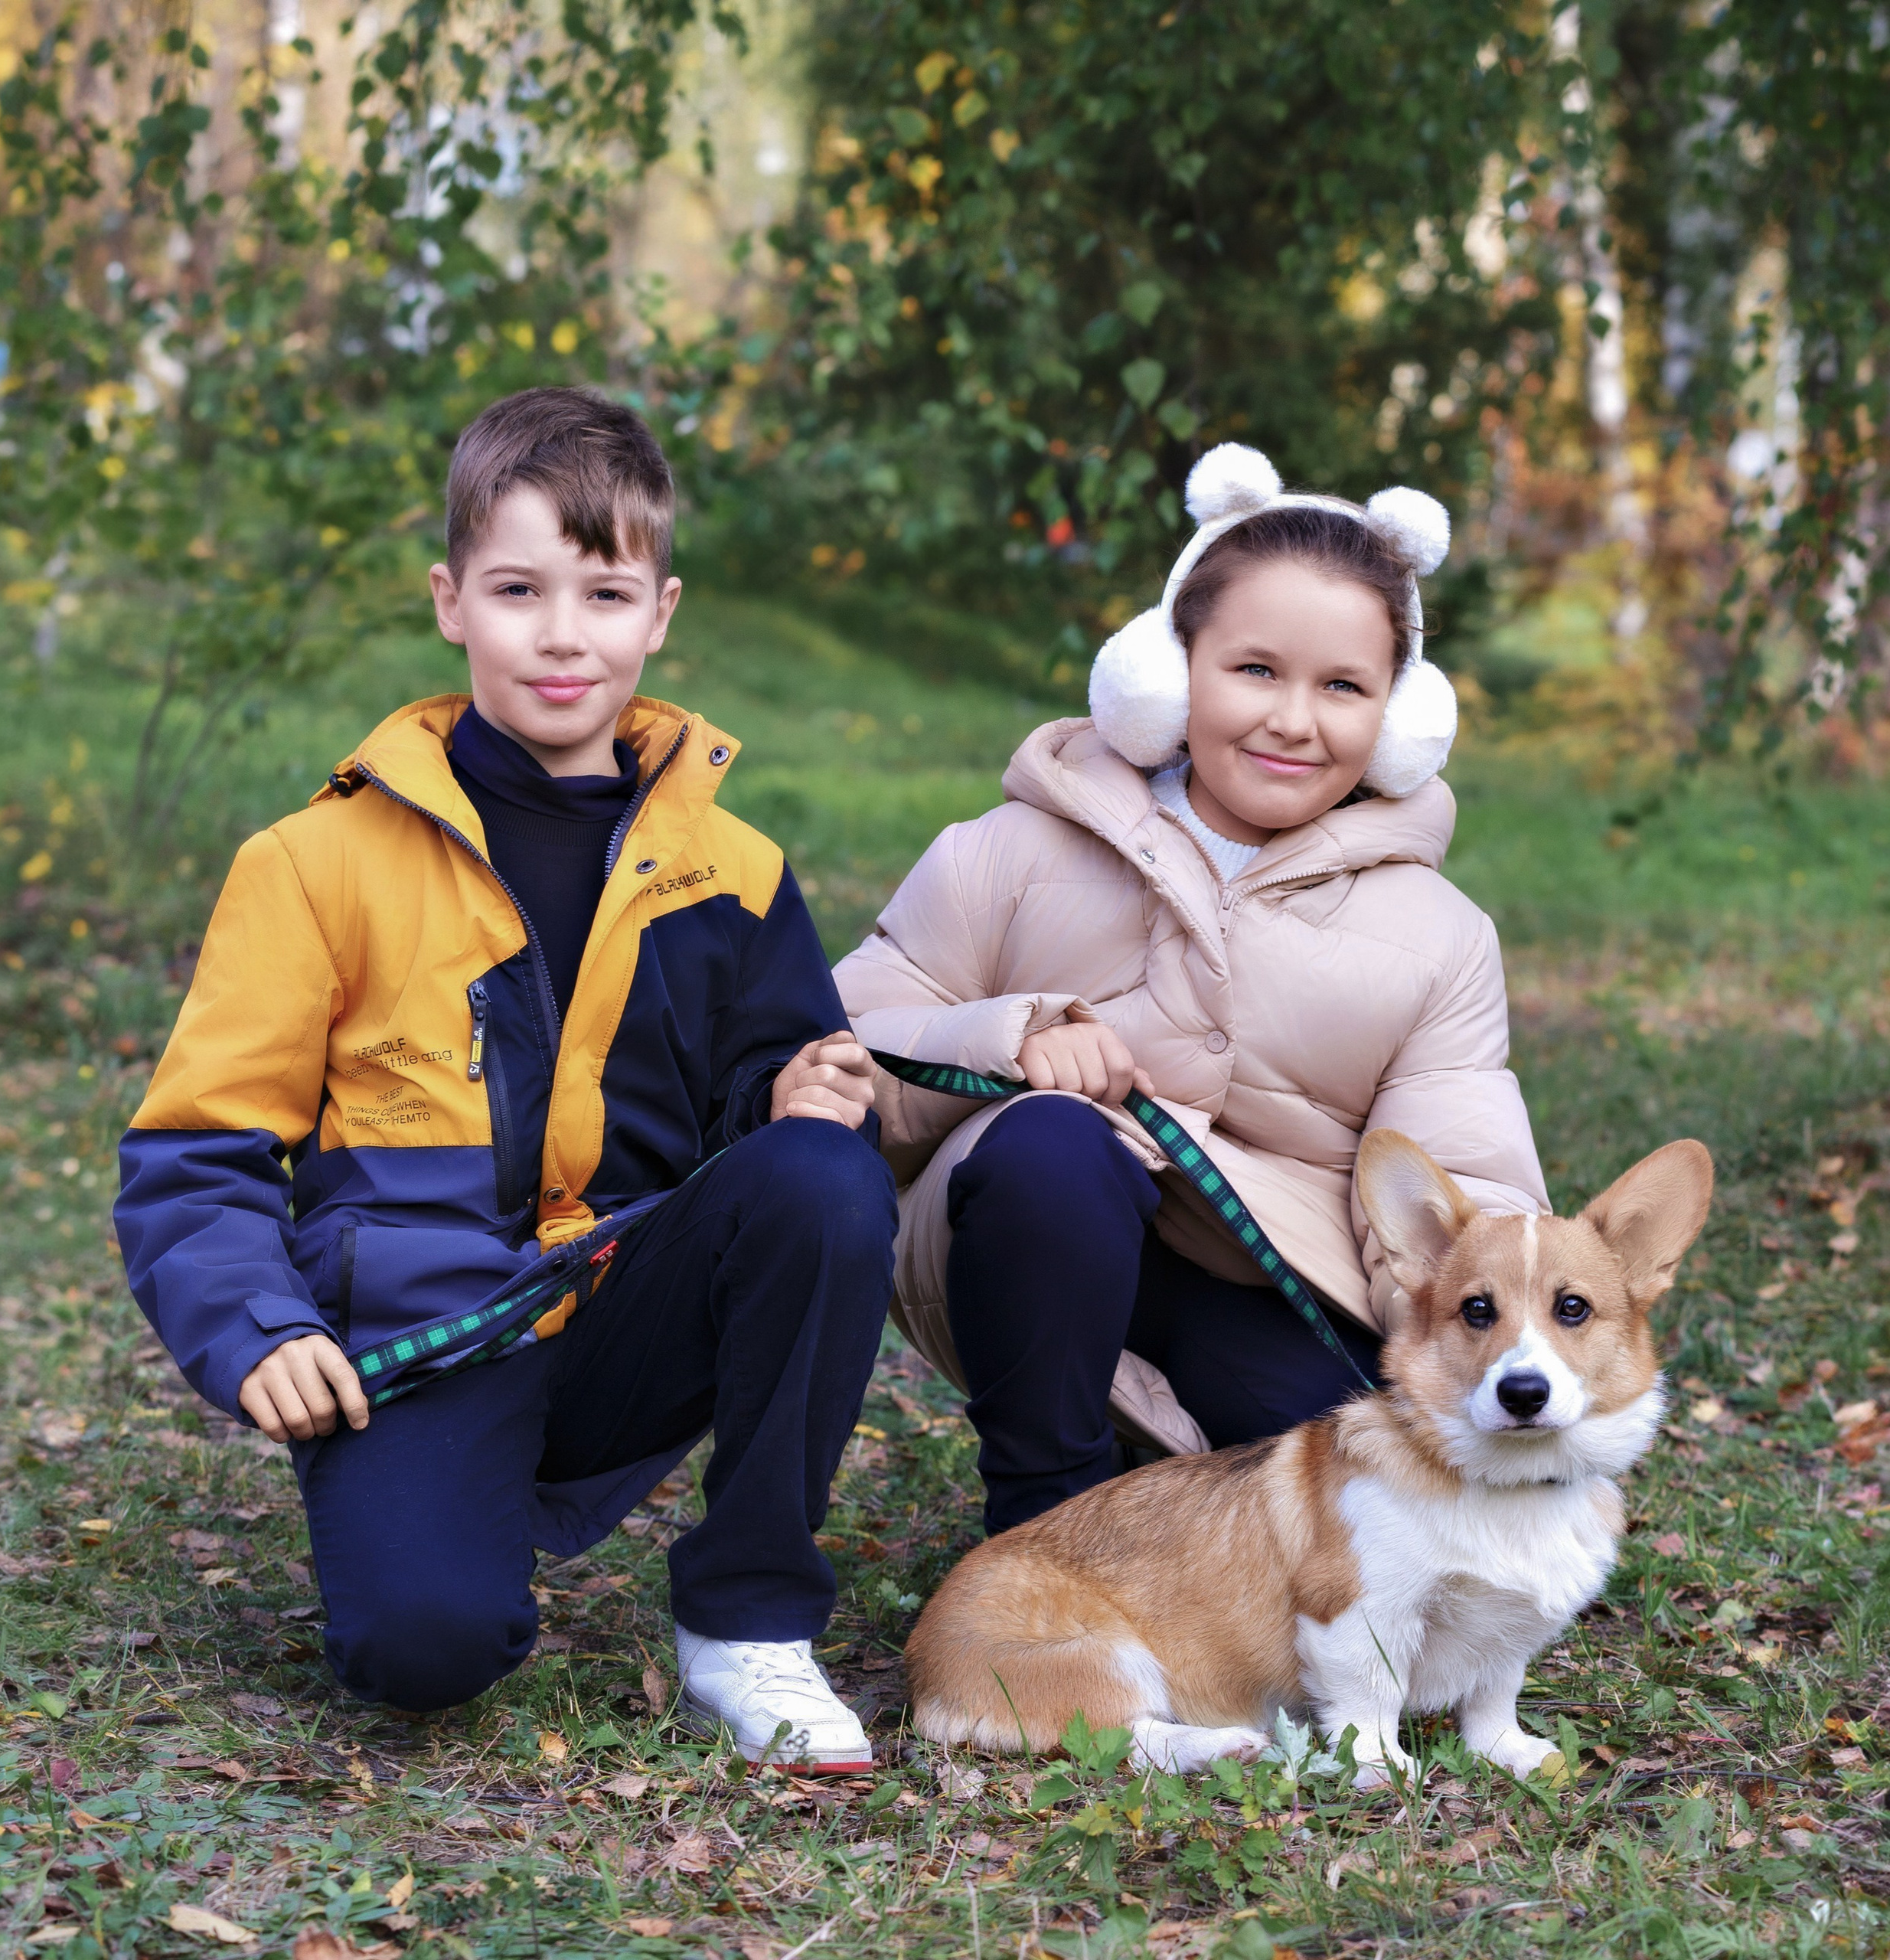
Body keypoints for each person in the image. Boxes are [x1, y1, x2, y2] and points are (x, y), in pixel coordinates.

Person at [113, 387, 896, 1768]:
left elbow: (770, 1093)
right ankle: (437, 1519)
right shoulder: (311, 864)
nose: (560, 634)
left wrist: (797, 1095)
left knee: (824, 1176)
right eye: (518, 587)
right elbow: (195, 1153)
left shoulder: (739, 870)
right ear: (449, 599)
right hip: (423, 1344)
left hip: (622, 1298)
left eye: (603, 593)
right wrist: (259, 1331)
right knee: (419, 1652)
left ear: (659, 613)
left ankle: (749, 1621)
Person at [834, 444, 1547, 1536]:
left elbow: (1460, 1175)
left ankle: (1192, 1515)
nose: (1294, 721)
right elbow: (839, 1049)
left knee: (1357, 1484)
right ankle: (1043, 1520)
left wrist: (1487, 1355)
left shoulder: (1440, 938)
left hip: (1258, 1277)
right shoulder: (1012, 850)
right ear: (1167, 673)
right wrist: (1010, 1034)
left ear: (1400, 719)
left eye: (1344, 687)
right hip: (1028, 1230)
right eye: (1256, 670)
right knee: (1055, 1148)